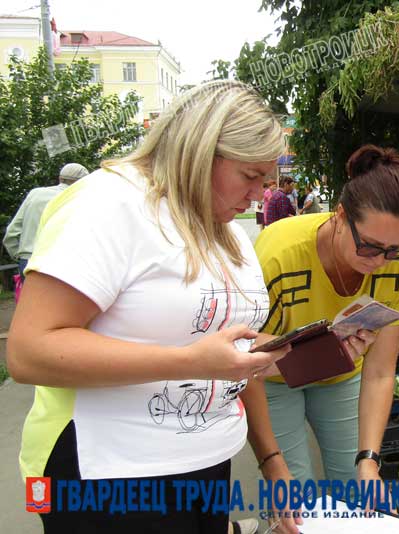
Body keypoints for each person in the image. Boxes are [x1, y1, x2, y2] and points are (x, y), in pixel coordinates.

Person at [7, 80, 297, 534]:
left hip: (205, 465)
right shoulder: (109, 204)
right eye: (250, 176)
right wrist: (190, 362)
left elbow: (227, 350)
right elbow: (28, 351)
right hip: (108, 474)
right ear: (201, 151)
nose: (260, 194)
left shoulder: (225, 231)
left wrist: (288, 355)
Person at [246, 144, 399, 517]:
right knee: (294, 502)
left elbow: (379, 372)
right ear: (340, 216)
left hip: (342, 377)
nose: (379, 262)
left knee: (356, 490)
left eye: (394, 249)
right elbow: (245, 360)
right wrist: (272, 464)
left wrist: (369, 461)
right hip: (271, 381)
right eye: (370, 247)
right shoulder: (279, 255)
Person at [3, 163, 89, 280]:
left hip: (29, 260)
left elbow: (11, 232)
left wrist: (20, 257)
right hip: (61, 262)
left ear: (60, 178)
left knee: (31, 298)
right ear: (83, 183)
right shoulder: (81, 199)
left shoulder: (35, 194)